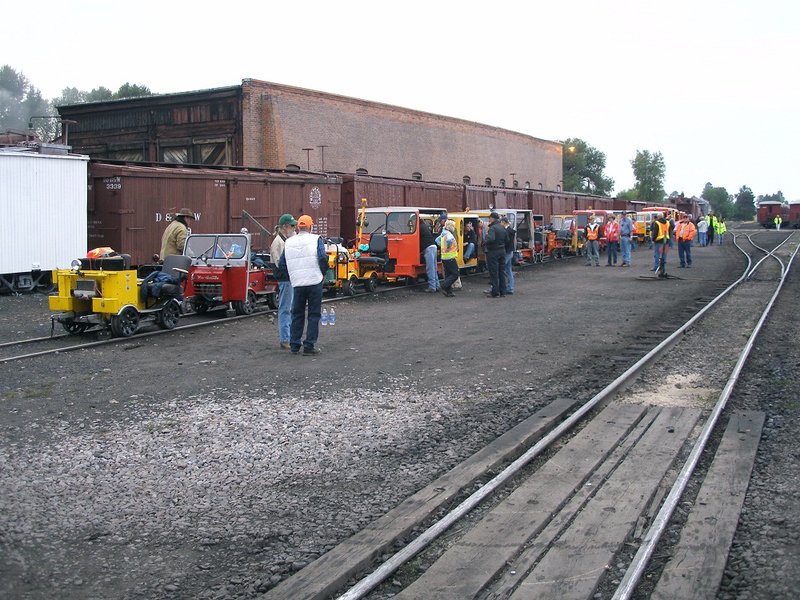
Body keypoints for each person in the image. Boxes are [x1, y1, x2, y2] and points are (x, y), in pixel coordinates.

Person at [277, 215, 328, 355]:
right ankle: (309, 346)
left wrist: (291, 276)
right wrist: (323, 273)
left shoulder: (289, 242)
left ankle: (294, 345)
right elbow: (323, 258)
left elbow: (282, 264)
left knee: (297, 313)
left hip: (297, 283)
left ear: (298, 227)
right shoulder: (316, 239)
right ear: (311, 226)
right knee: (313, 314)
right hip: (314, 281)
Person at [270, 213, 297, 350]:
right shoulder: (278, 243)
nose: (294, 228)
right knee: (286, 308)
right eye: (292, 226)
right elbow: (279, 264)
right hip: (286, 279)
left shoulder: (282, 241)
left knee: (288, 308)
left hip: (287, 279)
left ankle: (288, 337)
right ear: (285, 227)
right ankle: (285, 338)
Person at [483, 212, 508, 297]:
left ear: (492, 218)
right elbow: (507, 240)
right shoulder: (502, 228)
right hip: (502, 251)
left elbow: (490, 239)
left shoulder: (492, 228)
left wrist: (485, 239)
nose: (489, 220)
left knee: (494, 272)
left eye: (489, 218)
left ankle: (495, 292)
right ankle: (503, 291)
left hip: (493, 252)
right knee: (502, 271)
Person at [436, 220, 459, 297]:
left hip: (444, 257)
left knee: (448, 274)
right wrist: (447, 247)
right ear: (450, 227)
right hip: (450, 256)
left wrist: (443, 247)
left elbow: (437, 240)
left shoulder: (443, 234)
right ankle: (444, 286)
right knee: (455, 274)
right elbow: (449, 240)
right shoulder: (449, 234)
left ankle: (448, 291)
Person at [419, 217, 439, 292]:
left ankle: (432, 287)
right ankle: (437, 285)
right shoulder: (425, 226)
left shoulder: (419, 227)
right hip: (433, 247)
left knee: (430, 268)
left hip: (428, 248)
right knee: (434, 267)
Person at [651, 212, 672, 277]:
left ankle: (657, 266)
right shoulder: (668, 222)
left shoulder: (657, 223)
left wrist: (653, 239)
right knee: (664, 254)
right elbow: (670, 232)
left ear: (658, 217)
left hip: (659, 240)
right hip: (666, 240)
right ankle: (663, 267)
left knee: (657, 254)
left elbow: (655, 232)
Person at [500, 216, 516, 294]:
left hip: (506, 252)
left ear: (503, 222)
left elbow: (506, 241)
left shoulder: (506, 231)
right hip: (510, 251)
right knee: (508, 270)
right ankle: (510, 287)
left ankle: (500, 287)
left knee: (501, 268)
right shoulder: (511, 230)